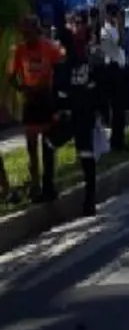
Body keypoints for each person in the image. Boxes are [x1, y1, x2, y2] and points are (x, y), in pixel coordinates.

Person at [9, 16, 64, 202]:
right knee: (31, 146)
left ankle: (49, 185)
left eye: (29, 33)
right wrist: (23, 88)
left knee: (48, 146)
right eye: (23, 33)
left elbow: (60, 70)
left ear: (36, 31)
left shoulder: (49, 47)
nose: (26, 37)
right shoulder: (19, 51)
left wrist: (52, 91)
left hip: (46, 100)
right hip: (30, 102)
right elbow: (12, 76)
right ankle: (35, 185)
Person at [51, 15, 99, 216]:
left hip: (71, 115)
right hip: (85, 114)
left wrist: (60, 110)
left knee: (49, 144)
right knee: (85, 154)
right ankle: (90, 199)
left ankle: (47, 186)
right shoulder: (85, 60)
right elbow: (94, 86)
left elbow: (61, 92)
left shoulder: (65, 65)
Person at [99, 4, 129, 151]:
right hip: (112, 70)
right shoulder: (105, 31)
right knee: (116, 108)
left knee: (121, 108)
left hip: (120, 69)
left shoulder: (116, 30)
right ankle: (115, 141)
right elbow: (112, 50)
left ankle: (120, 138)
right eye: (115, 15)